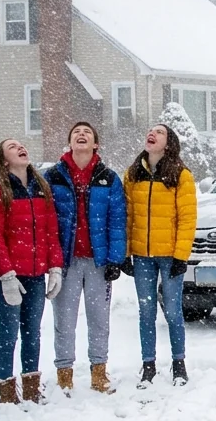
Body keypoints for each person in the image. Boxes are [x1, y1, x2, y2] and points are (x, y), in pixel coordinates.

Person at [46, 122, 126, 395]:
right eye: (76, 132)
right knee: (64, 321)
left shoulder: (108, 177)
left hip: (97, 261)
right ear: (69, 142)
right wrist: (52, 259)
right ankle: (64, 375)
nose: (81, 135)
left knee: (99, 320)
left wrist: (115, 259)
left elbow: (117, 220)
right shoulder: (53, 176)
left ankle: (99, 373)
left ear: (96, 144)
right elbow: (46, 220)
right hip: (66, 262)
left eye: (87, 133)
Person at [0, 139, 63, 404]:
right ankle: (7, 394)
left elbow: (51, 231)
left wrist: (55, 267)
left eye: (21, 145)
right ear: (3, 160)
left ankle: (31, 389)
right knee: (8, 333)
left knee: (32, 332)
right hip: (7, 278)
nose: (20, 148)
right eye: (12, 147)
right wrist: (6, 274)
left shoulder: (41, 187)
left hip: (35, 275)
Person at [123, 124, 197, 388]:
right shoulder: (133, 174)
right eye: (150, 130)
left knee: (173, 311)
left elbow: (187, 218)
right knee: (146, 311)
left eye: (160, 132)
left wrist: (181, 256)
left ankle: (179, 364)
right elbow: (127, 216)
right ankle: (148, 365)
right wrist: (125, 253)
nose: (152, 134)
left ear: (169, 143)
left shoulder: (181, 175)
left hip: (170, 256)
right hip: (142, 256)